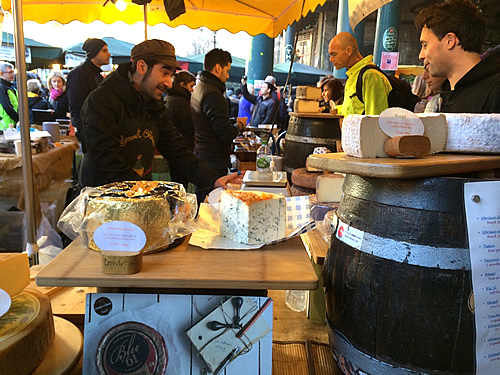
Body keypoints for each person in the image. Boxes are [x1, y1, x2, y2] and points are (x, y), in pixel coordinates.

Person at [80, 39, 241, 193]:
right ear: (142, 67)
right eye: (164, 73)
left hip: (139, 199)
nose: (169, 83)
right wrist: (150, 196)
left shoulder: (153, 105)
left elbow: (177, 151)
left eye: (170, 75)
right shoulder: (101, 101)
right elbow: (108, 162)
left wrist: (213, 179)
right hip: (102, 204)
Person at [415, 0, 500, 113]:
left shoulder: (495, 91)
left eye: (425, 45)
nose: (421, 55)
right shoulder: (447, 93)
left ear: (450, 41)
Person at [191, 48, 245, 202]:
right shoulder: (212, 93)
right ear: (218, 68)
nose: (228, 76)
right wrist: (240, 125)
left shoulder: (200, 87)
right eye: (227, 70)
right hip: (213, 160)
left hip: (203, 155)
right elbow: (225, 133)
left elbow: (213, 122)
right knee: (209, 207)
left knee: (203, 202)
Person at [328, 32, 391, 116]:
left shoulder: (370, 76)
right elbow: (351, 110)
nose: (331, 59)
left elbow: (375, 118)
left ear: (348, 51)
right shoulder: (353, 76)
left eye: (334, 54)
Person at [67, 38, 111, 151]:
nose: (109, 54)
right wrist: (84, 132)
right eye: (104, 51)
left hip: (100, 130)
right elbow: (76, 106)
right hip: (90, 133)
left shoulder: (98, 75)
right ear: (94, 52)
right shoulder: (79, 74)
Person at [165, 70, 196, 189]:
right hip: (181, 148)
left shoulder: (172, 98)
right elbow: (190, 126)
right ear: (182, 85)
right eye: (191, 86)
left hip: (176, 148)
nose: (192, 90)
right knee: (180, 186)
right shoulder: (180, 102)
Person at [0, 62, 18, 130]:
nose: (13, 74)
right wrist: (19, 119)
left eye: (13, 71)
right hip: (6, 126)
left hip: (12, 125)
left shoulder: (11, 87)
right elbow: (7, 106)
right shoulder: (2, 87)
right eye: (10, 72)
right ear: (1, 73)